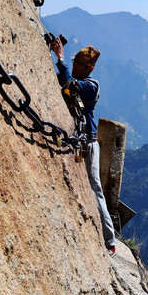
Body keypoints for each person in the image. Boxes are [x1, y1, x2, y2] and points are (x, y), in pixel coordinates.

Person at [48, 37, 116, 256]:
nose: (75, 66)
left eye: (78, 64)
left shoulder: (91, 86)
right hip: (79, 140)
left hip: (87, 142)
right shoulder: (79, 78)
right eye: (73, 62)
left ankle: (110, 240)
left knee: (95, 188)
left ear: (90, 68)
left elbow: (69, 84)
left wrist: (59, 58)